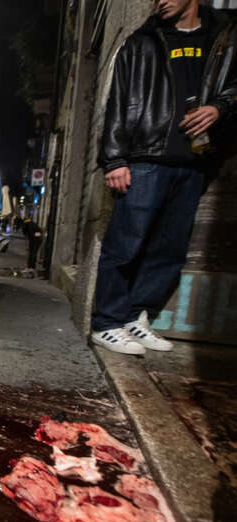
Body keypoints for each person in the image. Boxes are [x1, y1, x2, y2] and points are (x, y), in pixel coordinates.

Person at [91, 0, 236, 355]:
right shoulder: (141, 42)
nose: (160, 0)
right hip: (144, 158)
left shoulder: (224, 37)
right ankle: (106, 322)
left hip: (194, 161)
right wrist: (114, 160)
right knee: (125, 244)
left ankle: (133, 318)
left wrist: (220, 107)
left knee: (168, 250)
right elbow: (117, 101)